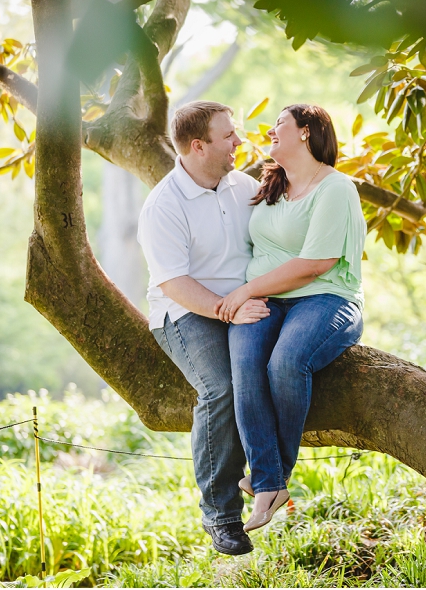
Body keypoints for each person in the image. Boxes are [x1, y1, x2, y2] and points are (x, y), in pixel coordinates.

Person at [215, 104, 365, 532]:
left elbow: (316, 263)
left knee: (285, 362)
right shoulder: (271, 185)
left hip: (325, 298)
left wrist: (244, 290)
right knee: (244, 367)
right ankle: (271, 484)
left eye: (279, 124)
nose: (269, 131)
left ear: (305, 132)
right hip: (267, 299)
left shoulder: (335, 188)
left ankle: (267, 480)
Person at [137, 101, 269, 556]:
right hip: (187, 311)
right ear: (199, 146)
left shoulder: (245, 186)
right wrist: (228, 309)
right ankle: (221, 514)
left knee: (284, 366)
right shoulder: (163, 206)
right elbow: (174, 283)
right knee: (221, 389)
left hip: (246, 304)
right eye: (229, 135)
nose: (238, 142)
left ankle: (269, 477)